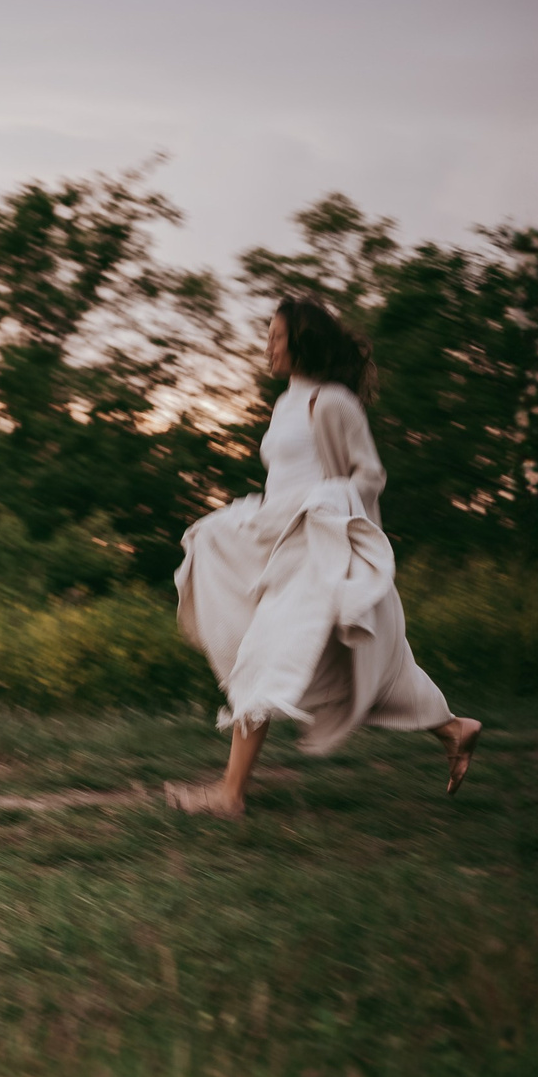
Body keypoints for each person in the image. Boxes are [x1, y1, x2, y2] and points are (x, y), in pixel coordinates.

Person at [165, 295, 480, 816]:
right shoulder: (287, 401)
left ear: (302, 342)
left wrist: (329, 503)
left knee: (265, 651)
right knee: (352, 663)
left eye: (277, 337)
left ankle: (230, 794)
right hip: (280, 538)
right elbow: (284, 479)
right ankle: (454, 728)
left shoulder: (332, 402)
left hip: (317, 546)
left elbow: (368, 476)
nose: (268, 346)